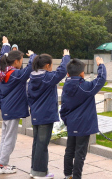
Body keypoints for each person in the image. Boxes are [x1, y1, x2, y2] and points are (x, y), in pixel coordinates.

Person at [59, 57, 106, 179]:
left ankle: (67, 175)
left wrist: (67, 121)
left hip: (72, 125)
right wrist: (101, 65)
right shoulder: (87, 86)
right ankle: (76, 177)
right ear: (82, 74)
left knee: (69, 150)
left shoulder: (65, 87)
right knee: (80, 153)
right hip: (84, 126)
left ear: (68, 73)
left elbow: (63, 108)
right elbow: (101, 79)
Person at [26, 49, 71, 179]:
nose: (52, 67)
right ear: (47, 66)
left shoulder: (32, 77)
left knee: (37, 143)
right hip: (45, 115)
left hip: (35, 114)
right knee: (42, 144)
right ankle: (40, 172)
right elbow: (62, 71)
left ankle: (34, 170)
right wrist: (66, 57)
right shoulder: (47, 78)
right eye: (51, 65)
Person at [0, 49, 35, 174]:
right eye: (21, 61)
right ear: (16, 61)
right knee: (10, 139)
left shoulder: (4, 73)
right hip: (12, 111)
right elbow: (29, 69)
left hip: (6, 109)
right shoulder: (15, 74)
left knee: (5, 138)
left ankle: (1, 163)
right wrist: (33, 56)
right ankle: (2, 165)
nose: (22, 63)